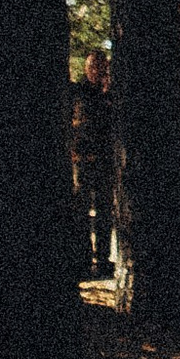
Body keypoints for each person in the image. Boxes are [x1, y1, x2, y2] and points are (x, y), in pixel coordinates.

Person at [70, 48, 116, 280]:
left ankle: (103, 258)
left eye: (101, 67)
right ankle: (83, 258)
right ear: (86, 69)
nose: (97, 71)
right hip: (81, 161)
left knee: (104, 212)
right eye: (93, 67)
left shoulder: (112, 94)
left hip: (105, 161)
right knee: (80, 212)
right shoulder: (77, 93)